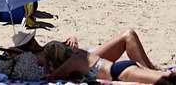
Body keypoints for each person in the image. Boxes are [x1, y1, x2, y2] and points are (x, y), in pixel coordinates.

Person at [43, 41, 176, 85]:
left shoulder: (70, 63)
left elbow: (50, 78)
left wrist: (46, 62)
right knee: (160, 76)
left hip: (119, 72)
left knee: (163, 79)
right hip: (122, 66)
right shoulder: (79, 53)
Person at [10, 29, 158, 71]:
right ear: (25, 48)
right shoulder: (36, 57)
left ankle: (150, 68)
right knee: (128, 35)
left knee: (129, 35)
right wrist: (20, 51)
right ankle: (150, 70)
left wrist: (72, 38)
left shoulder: (43, 49)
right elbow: (11, 52)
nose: (34, 43)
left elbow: (70, 37)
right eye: (30, 43)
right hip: (87, 60)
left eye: (33, 40)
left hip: (87, 54)